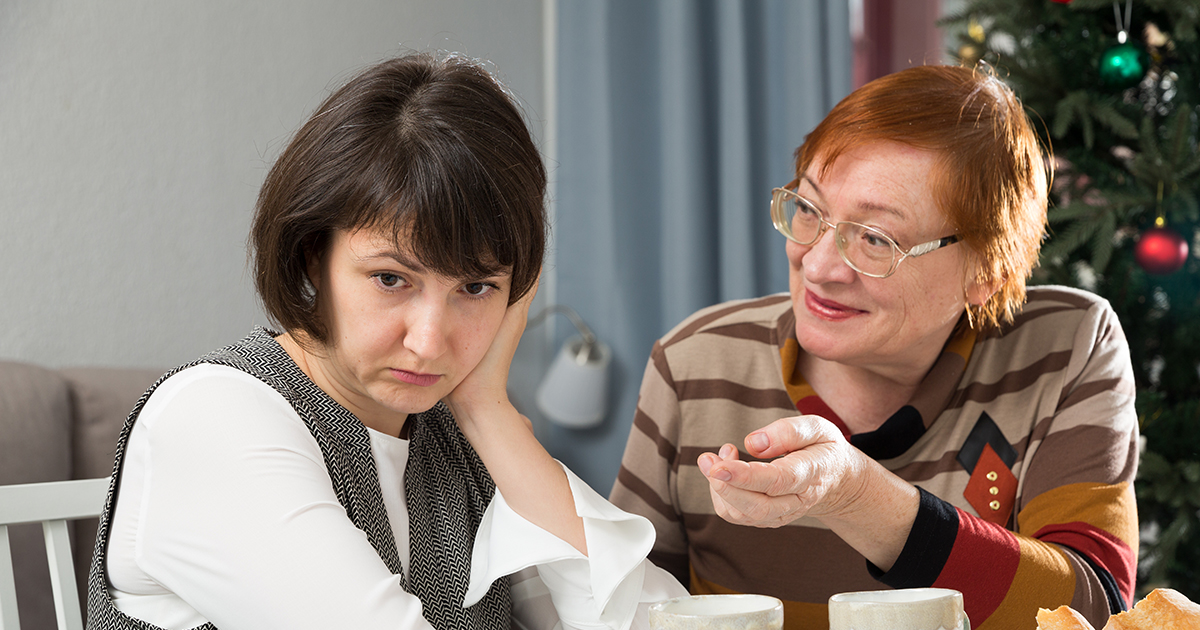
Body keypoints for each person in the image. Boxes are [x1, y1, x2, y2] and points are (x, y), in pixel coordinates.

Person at [86, 53, 685, 630]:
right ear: (311, 256)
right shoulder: (212, 419)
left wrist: (489, 412)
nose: (429, 342)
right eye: (391, 279)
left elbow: (656, 624)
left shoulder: (455, 438)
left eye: (475, 288)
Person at [610, 65, 1138, 630]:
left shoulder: (1068, 345)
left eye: (875, 238)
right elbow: (622, 608)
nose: (815, 265)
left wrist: (853, 493)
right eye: (809, 210)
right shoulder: (693, 363)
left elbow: (1098, 611)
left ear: (987, 269)